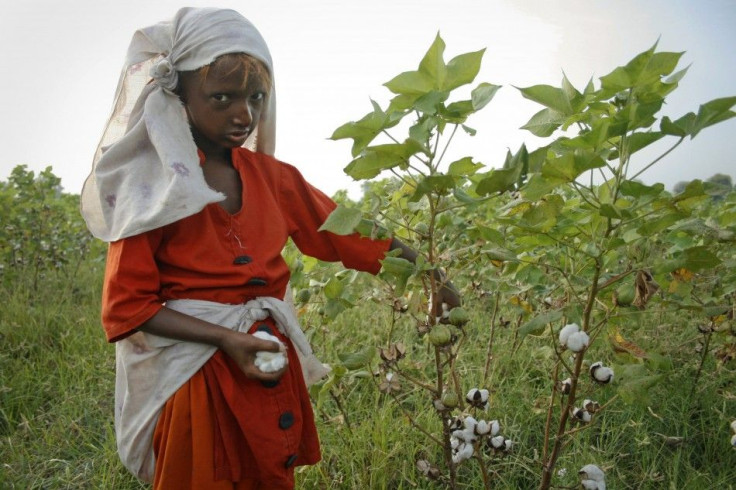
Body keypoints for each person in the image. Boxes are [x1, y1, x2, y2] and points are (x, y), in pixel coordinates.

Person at [80, 7, 460, 489]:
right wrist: (225, 338)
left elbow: (350, 231)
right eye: (222, 97)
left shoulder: (273, 179)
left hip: (263, 362)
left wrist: (430, 273)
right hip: (196, 378)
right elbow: (127, 307)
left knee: (267, 472)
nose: (244, 114)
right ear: (180, 95)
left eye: (256, 97)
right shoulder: (150, 186)